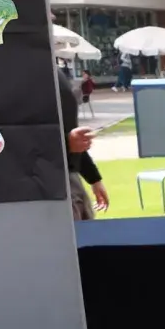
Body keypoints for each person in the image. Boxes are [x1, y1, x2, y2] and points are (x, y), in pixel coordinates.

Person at [58, 67, 108, 220]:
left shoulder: (55, 75)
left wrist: (94, 178)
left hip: (68, 179)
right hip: (41, 189)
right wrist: (66, 144)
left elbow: (72, 135)